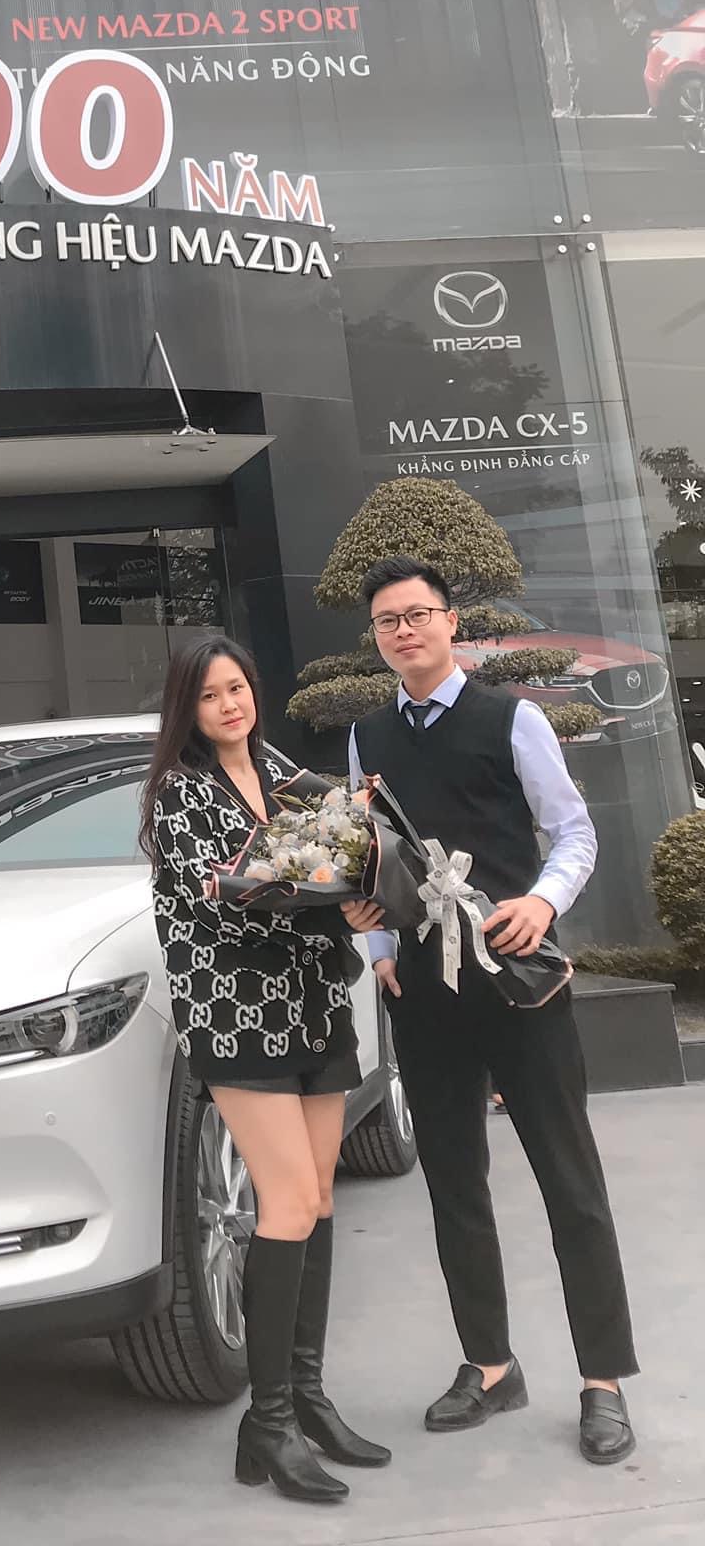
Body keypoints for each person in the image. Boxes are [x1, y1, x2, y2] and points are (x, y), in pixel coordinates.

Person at [349, 556, 638, 1466]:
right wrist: (380, 953)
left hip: (520, 982)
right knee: (453, 1185)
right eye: (388, 620)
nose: (404, 630)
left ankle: (603, 1381)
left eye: (418, 614)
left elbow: (575, 831)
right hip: (425, 993)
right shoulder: (366, 735)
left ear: (450, 621)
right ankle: (489, 1365)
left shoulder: (513, 718)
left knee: (569, 1182)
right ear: (376, 636)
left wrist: (544, 902)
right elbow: (369, 859)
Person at [143, 636, 389, 1506]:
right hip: (237, 1014)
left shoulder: (289, 776)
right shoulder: (178, 794)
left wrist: (360, 889)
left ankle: (306, 1397)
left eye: (238, 687)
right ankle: (269, 1420)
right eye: (210, 695)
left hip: (314, 1007)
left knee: (317, 1202)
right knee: (283, 1206)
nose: (229, 704)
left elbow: (330, 867)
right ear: (188, 709)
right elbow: (230, 898)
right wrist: (327, 900)